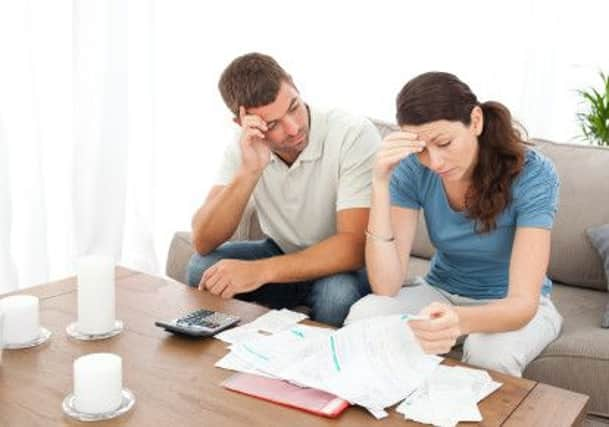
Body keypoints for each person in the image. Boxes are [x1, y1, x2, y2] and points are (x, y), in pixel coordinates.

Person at [345, 72, 563, 376]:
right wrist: (380, 182)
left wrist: (458, 320)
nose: (435, 162)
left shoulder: (534, 174)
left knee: (488, 354)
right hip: (441, 291)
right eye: (421, 148)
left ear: (475, 121)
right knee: (364, 316)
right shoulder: (412, 168)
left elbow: (522, 304)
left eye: (444, 142)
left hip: (511, 304)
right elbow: (386, 285)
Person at [186, 53, 381, 326]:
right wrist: (249, 171)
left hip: (342, 267)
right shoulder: (245, 147)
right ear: (243, 124)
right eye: (273, 124)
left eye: (293, 107)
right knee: (201, 268)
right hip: (281, 252)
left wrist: (260, 272)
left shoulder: (352, 134)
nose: (293, 128)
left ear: (293, 83)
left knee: (336, 296)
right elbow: (203, 240)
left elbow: (354, 247)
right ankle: (250, 350)